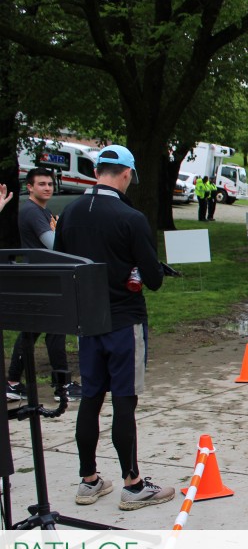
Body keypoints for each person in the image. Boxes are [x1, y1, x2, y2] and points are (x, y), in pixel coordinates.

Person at [53, 144, 175, 511]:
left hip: (88, 321)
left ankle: (88, 479)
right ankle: (132, 484)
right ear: (125, 174)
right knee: (124, 401)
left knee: (91, 398)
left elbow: (61, 266)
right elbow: (153, 278)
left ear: (96, 173)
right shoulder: (130, 217)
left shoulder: (70, 213)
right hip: (124, 321)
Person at [5, 168, 83, 402]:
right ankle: (62, 385)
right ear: (30, 187)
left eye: (50, 184)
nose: (48, 188)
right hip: (44, 279)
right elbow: (53, 245)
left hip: (40, 277)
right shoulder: (32, 212)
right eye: (41, 184)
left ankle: (13, 382)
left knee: (31, 331)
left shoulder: (40, 210)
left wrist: (57, 231)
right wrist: (58, 232)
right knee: (55, 329)